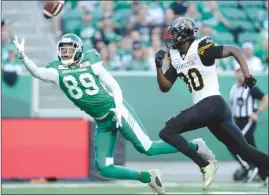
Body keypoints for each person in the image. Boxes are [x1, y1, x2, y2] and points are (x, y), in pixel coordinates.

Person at [13, 33, 216, 194]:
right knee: (104, 167)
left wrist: (118, 108)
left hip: (117, 110)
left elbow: (115, 87)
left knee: (147, 148)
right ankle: (148, 178)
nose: (65, 53)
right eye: (63, 50)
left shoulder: (91, 61)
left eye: (69, 49)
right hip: (103, 122)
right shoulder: (57, 71)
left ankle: (196, 146)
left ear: (79, 51)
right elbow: (38, 72)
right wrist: (24, 58)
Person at [155, 17, 269, 191]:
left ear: (185, 34)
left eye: (175, 32)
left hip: (212, 103)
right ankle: (205, 163)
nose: (172, 36)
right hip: (210, 111)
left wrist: (246, 74)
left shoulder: (200, 48)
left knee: (167, 131)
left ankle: (204, 164)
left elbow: (234, 50)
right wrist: (158, 67)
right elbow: (165, 87)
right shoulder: (177, 57)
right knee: (244, 151)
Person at [230, 66, 268, 185]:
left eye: (241, 71)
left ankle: (250, 168)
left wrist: (257, 112)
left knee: (234, 143)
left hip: (247, 121)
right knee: (251, 149)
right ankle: (264, 175)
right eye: (237, 71)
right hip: (237, 121)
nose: (239, 74)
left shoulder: (251, 87)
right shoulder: (234, 88)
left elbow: (265, 99)